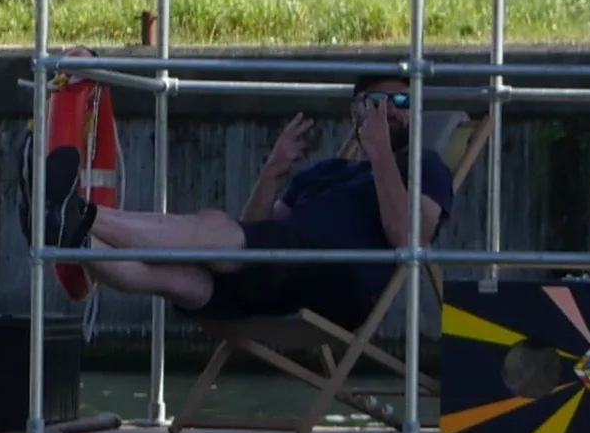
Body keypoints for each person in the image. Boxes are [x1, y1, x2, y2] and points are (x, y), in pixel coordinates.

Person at [51, 84, 452, 321]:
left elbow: (409, 241)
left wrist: (381, 154)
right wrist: (273, 171)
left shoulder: (424, 167)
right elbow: (250, 234)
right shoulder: (326, 171)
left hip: (338, 276)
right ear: (355, 113)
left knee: (212, 226)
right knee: (180, 278)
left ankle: (80, 213)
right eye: (376, 104)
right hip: (282, 271)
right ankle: (57, 229)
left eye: (401, 102)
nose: (390, 113)